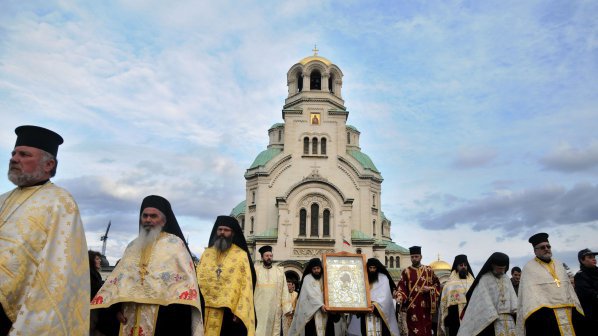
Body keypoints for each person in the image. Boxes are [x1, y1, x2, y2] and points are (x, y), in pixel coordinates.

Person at [0, 125, 89, 336]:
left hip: (16, 310)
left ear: (48, 164)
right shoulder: (3, 199)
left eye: (24, 154)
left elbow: (61, 267)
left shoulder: (60, 202)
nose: (14, 158)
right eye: (13, 153)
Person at [91, 195, 203, 336]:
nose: (148, 220)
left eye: (153, 216)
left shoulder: (175, 245)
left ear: (164, 220)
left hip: (162, 321)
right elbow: (117, 284)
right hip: (129, 320)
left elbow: (184, 288)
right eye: (145, 216)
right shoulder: (132, 246)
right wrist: (115, 310)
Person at [197, 215, 256, 336]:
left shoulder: (241, 255)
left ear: (233, 233)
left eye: (226, 230)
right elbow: (197, 276)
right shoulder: (207, 253)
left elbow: (246, 284)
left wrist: (241, 310)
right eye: (220, 229)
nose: (222, 233)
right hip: (204, 308)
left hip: (228, 311)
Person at [517, 232, 584, 335]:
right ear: (535, 251)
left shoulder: (559, 264)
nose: (546, 249)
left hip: (568, 312)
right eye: (542, 247)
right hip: (546, 316)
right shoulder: (529, 268)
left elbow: (569, 289)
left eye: (548, 246)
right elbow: (529, 297)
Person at [457, 252, 517, 336]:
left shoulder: (506, 278)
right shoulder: (485, 279)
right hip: (492, 321)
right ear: (492, 265)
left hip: (509, 321)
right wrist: (492, 315)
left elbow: (513, 299)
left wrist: (516, 310)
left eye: (503, 268)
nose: (502, 271)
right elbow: (483, 301)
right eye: (499, 268)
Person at [347, 258, 400, 336]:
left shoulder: (383, 278)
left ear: (377, 268)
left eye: (374, 268)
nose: (372, 270)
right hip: (365, 313)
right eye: (370, 268)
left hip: (379, 314)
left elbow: (385, 297)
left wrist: (375, 306)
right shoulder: (363, 278)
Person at [395, 246, 440, 336]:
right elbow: (401, 287)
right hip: (412, 308)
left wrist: (430, 289)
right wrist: (400, 296)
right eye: (412, 257)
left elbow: (437, 285)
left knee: (426, 330)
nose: (414, 259)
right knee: (413, 331)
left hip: (425, 307)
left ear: (421, 257)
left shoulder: (429, 270)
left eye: (416, 256)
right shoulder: (406, 271)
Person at [288, 258, 336, 336]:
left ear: (321, 268)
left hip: (327, 311)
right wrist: (320, 305)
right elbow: (310, 295)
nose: (316, 270)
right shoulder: (308, 278)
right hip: (312, 313)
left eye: (318, 268)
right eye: (314, 269)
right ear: (311, 269)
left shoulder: (326, 277)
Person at [254, 245, 292, 336]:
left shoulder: (279, 271)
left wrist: (287, 307)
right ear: (262, 257)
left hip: (275, 307)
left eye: (270, 256)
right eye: (266, 256)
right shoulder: (256, 270)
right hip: (259, 308)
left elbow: (284, 289)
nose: (269, 258)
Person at [437, 254, 475, 336]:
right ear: (456, 267)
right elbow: (444, 302)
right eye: (461, 265)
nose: (463, 267)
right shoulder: (450, 284)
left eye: (465, 265)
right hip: (455, 317)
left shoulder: (473, 282)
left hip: (471, 315)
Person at [574, 248, 598, 333]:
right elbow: (589, 295)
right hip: (592, 317)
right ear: (582, 260)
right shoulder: (580, 276)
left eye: (594, 256)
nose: (594, 258)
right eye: (590, 257)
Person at [89, 250, 105, 336]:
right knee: (90, 327)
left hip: (95, 306)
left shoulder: (96, 273)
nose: (100, 261)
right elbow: (93, 289)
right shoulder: (90, 273)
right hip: (91, 306)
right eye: (97, 259)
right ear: (91, 260)